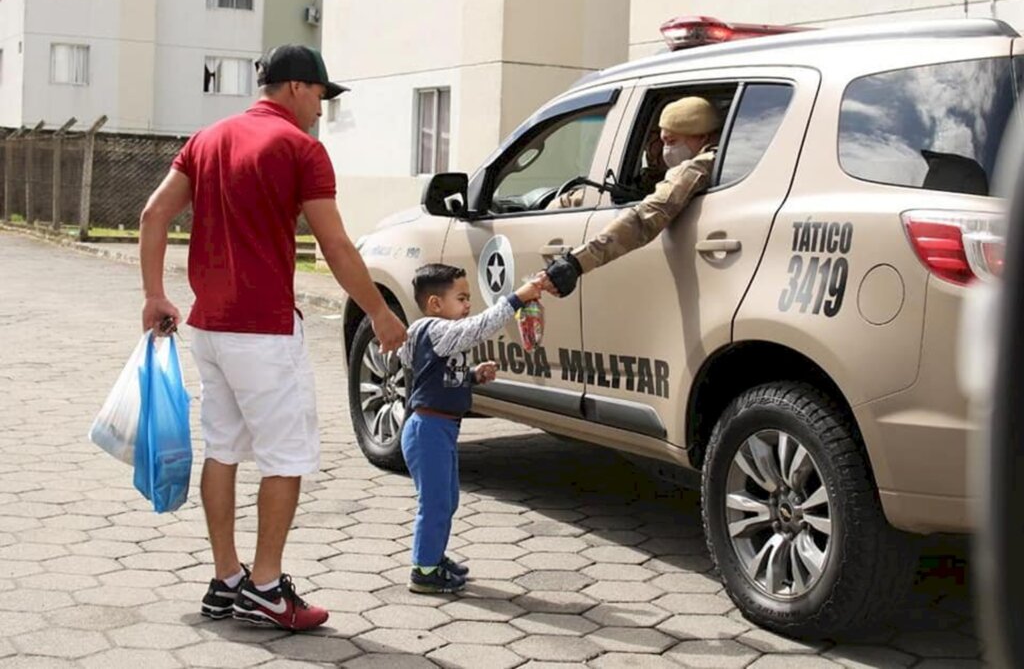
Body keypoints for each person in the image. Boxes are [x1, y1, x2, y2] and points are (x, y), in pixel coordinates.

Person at [138, 44, 407, 631]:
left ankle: (226, 579)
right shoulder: (301, 149)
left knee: (225, 450)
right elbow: (335, 246)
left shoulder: (205, 140)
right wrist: (380, 314)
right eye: (319, 95)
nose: (321, 108)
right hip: (262, 331)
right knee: (285, 458)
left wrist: (155, 295)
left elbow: (153, 214)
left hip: (209, 327)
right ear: (294, 88)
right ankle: (264, 588)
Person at [399, 264, 542, 593]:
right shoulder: (437, 329)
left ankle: (433, 556)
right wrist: (517, 299)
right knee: (434, 503)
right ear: (435, 304)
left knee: (447, 500)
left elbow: (431, 372)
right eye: (461, 298)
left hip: (440, 429)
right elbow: (479, 328)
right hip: (428, 430)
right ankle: (424, 571)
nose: (467, 306)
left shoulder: (430, 332)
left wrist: (474, 375)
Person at [542, 96, 721, 296]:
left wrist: (576, 262)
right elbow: (640, 189)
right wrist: (565, 202)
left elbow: (646, 216)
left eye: (671, 141)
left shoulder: (698, 166)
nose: (664, 151)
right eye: (659, 142)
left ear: (702, 137)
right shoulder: (714, 161)